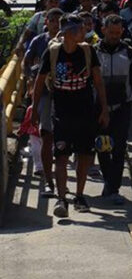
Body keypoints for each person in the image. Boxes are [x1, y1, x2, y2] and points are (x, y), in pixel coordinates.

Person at [31, 14, 109, 218]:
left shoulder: (88, 51)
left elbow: (98, 81)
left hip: (85, 111)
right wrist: (34, 109)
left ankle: (80, 195)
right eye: (81, 29)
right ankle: (62, 197)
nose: (84, 32)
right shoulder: (53, 53)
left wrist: (104, 108)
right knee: (62, 156)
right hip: (62, 113)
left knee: (84, 155)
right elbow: (39, 83)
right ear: (70, 32)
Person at [94, 15, 132, 205]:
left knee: (118, 149)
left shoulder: (130, 53)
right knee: (102, 146)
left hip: (122, 108)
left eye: (118, 33)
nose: (115, 36)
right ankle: (108, 181)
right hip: (99, 109)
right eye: (111, 32)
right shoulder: (93, 52)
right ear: (104, 29)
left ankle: (113, 188)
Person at [22, 7, 63, 197]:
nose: (56, 23)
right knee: (46, 134)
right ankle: (49, 179)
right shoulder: (39, 41)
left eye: (59, 20)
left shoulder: (69, 43)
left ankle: (61, 181)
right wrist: (30, 79)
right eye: (52, 20)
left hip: (66, 95)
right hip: (44, 94)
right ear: (46, 22)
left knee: (64, 138)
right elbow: (26, 61)